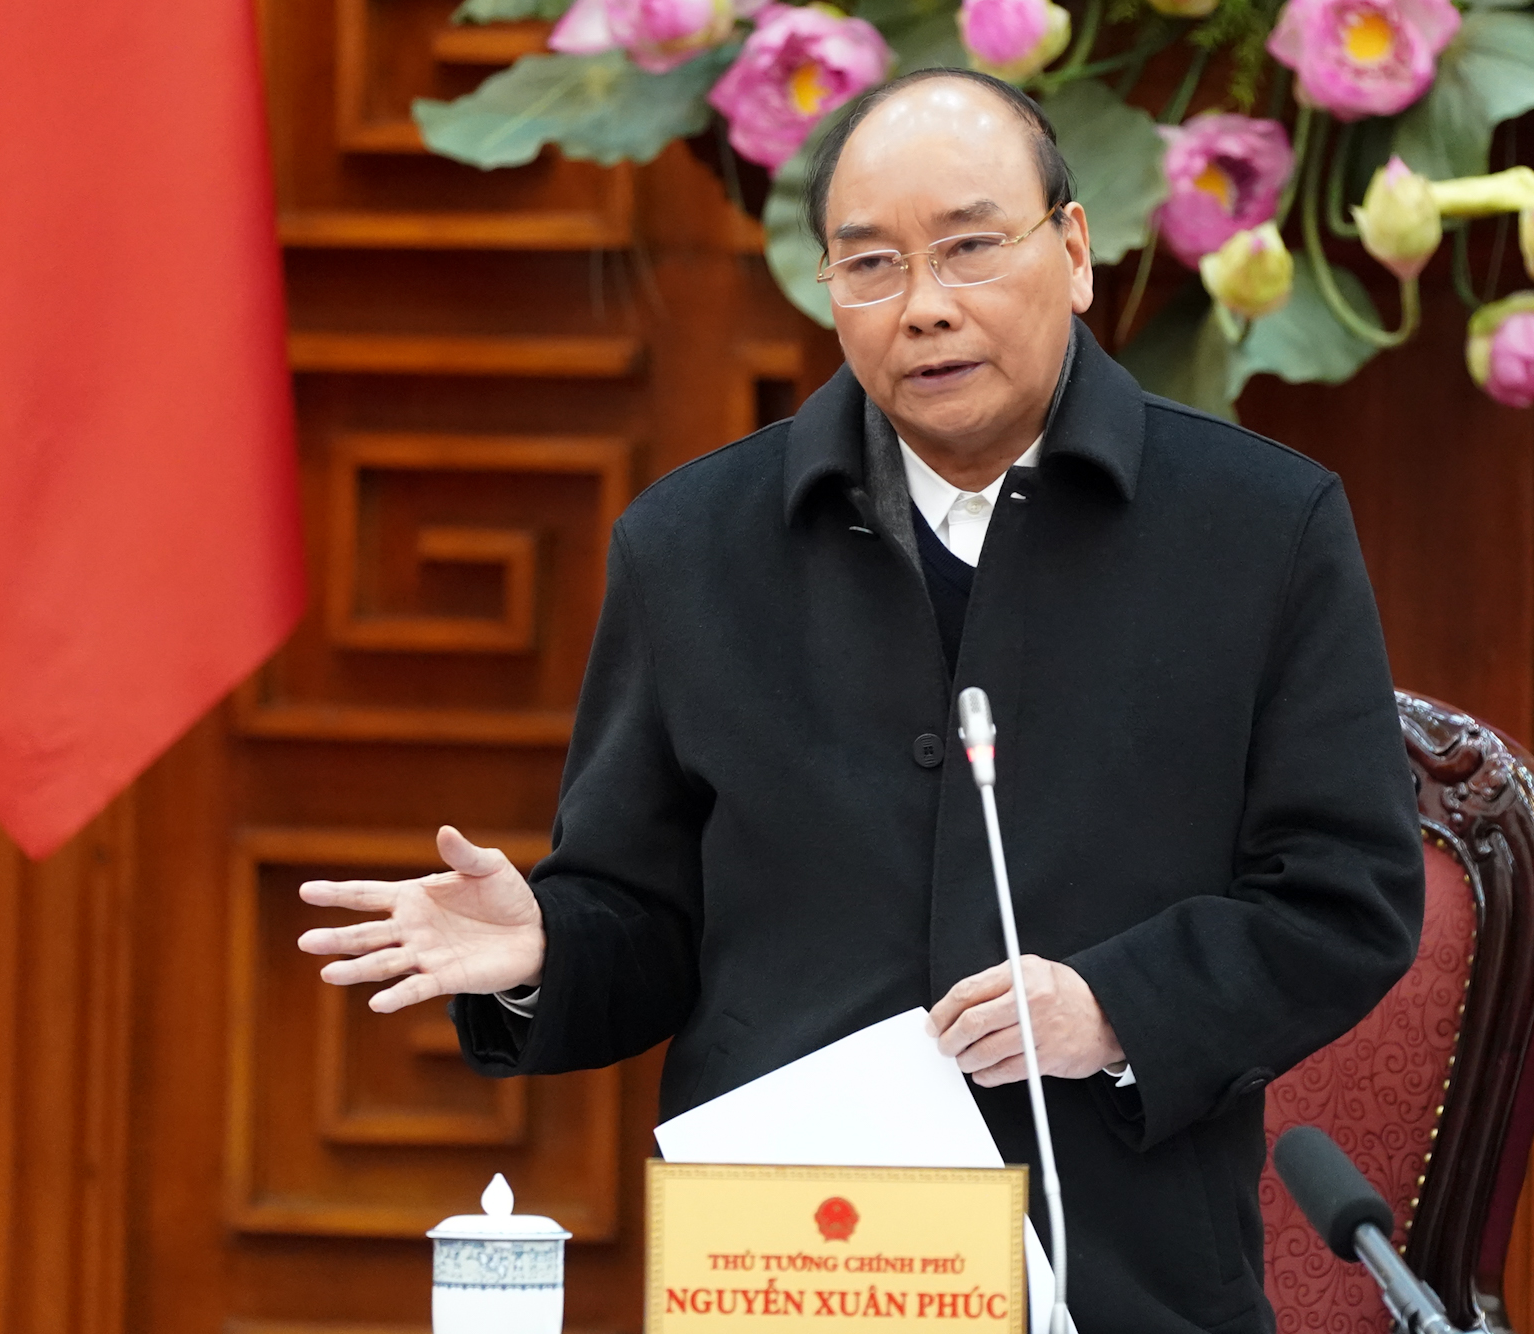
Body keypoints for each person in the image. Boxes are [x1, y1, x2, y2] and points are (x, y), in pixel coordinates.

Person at [297, 67, 1424, 1334]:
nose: (924, 306)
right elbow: (648, 918)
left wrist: (1112, 1007)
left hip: (1119, 1269)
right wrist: (548, 945)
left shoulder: (1257, 527)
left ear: (1072, 252)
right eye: (872, 264)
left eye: (969, 248)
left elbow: (1346, 893)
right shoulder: (692, 545)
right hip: (786, 1276)